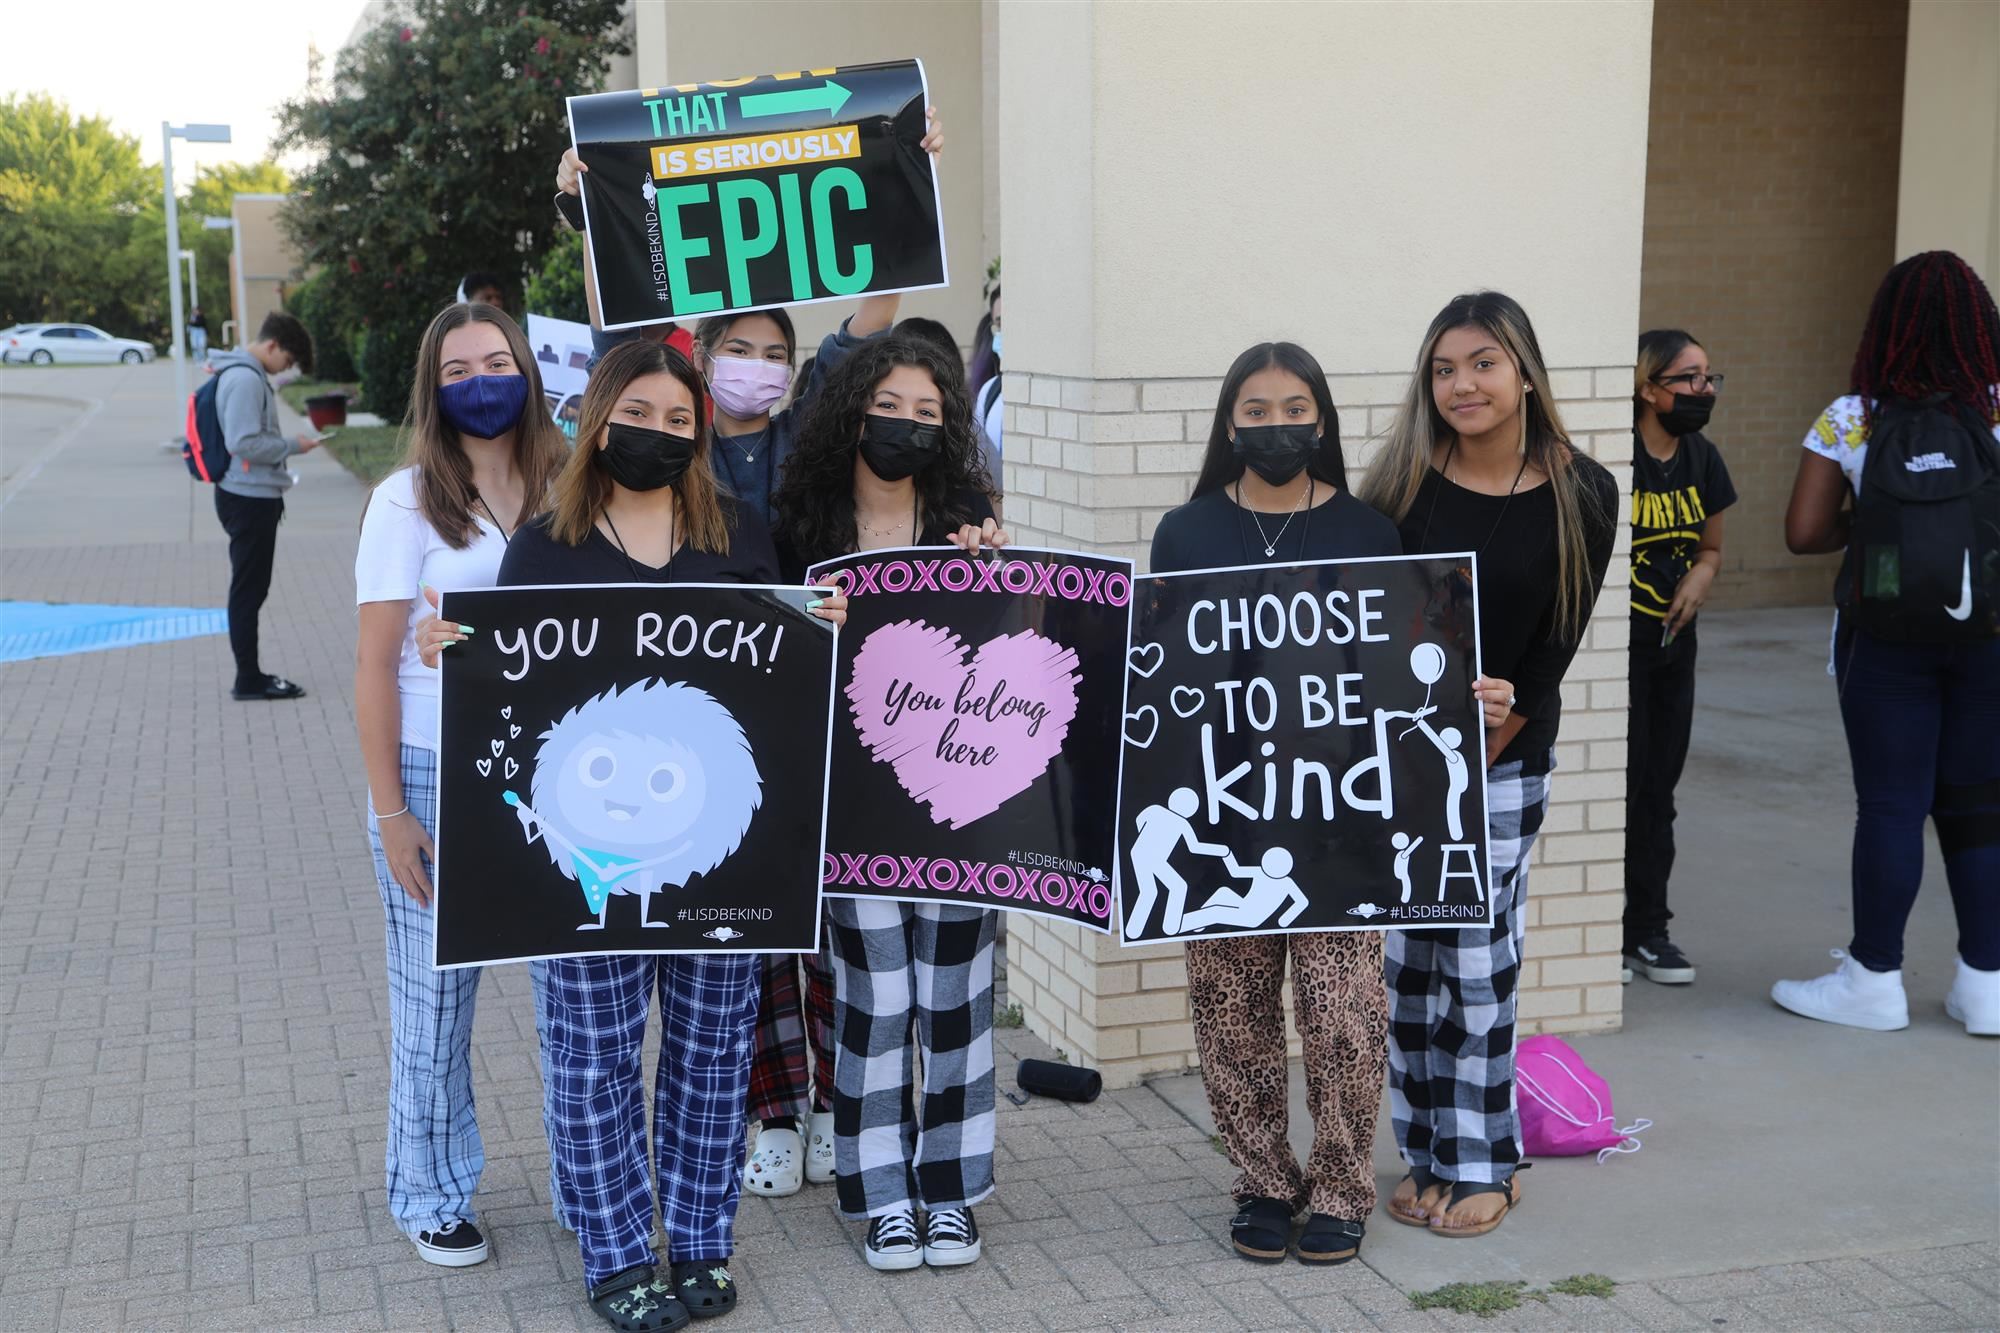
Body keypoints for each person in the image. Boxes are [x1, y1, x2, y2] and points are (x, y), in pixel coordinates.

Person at [467, 339, 843, 1329]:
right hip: (583, 866)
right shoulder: (544, 545)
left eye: (680, 420)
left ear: (701, 432)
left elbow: (779, 689)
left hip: (718, 865)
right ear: (597, 419)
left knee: (710, 1058)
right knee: (592, 1063)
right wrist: (449, 646)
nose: (660, 433)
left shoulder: (741, 532)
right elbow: (503, 692)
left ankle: (703, 1240)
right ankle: (616, 1249)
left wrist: (820, 627)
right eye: (640, 414)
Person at [1359, 293, 1617, 1239]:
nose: (1462, 385)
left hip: (1501, 770)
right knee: (1408, 966)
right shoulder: (1398, 482)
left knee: (1476, 962)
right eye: (1443, 368)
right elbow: (1367, 627)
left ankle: (1486, 1158)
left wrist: (1482, 747)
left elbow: (1551, 655)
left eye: (1482, 363)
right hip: (1398, 769)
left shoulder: (1584, 489)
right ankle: (1427, 1151)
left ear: (1524, 371)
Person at [1148, 342, 1406, 1267]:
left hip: (1339, 810)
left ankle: (1341, 1185)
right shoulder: (1184, 533)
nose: (1275, 426)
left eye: (1293, 408)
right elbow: (1166, 670)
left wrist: (1463, 693)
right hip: (1220, 807)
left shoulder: (1372, 532)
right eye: (1255, 411)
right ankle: (1262, 1180)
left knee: (1344, 1012)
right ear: (1229, 426)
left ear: (1323, 421)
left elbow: (1393, 671)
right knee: (1231, 1005)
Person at [770, 334, 1004, 1271]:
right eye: (890, 406)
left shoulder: (967, 519)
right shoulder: (799, 521)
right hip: (848, 797)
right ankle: (878, 1192)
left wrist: (997, 564)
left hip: (958, 801)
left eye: (929, 413)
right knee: (875, 996)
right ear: (853, 408)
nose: (906, 425)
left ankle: (950, 1188)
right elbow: (765, 651)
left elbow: (1011, 650)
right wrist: (800, 613)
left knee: (957, 994)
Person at [354, 302, 567, 1268]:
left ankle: (591, 1181)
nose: (479, 379)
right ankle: (430, 1189)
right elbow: (372, 667)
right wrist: (393, 812)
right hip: (440, 780)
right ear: (433, 391)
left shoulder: (573, 485)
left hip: (557, 774)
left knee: (580, 994)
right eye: (456, 369)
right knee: (436, 1003)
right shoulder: (405, 500)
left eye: (495, 360)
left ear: (525, 368)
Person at [1774, 250, 2000, 1037]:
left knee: (1893, 804)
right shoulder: (1999, 408)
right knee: (1980, 805)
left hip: (1884, 642)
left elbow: (1803, 533)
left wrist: (1875, 531)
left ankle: (1873, 980)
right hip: (1992, 639)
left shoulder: (1853, 414)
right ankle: (1987, 982)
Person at [555, 109, 944, 527]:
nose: (757, 365)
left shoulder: (804, 435)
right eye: (740, 350)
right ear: (701, 357)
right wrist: (593, 219)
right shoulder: (673, 447)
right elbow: (613, 344)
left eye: (774, 356)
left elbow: (871, 323)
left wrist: (907, 182)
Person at [1624, 329, 1736, 986]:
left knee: (1659, 791)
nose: (1704, 390)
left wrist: (1702, 574)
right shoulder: (1617, 458)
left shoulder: (1703, 458)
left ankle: (1648, 931)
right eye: (1688, 379)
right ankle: (1605, 932)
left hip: (1673, 651)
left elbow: (1712, 548)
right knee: (1624, 785)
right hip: (1622, 653)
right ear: (1647, 388)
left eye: (1708, 377)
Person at [212, 310, 318, 701]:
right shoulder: (244, 378)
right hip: (248, 497)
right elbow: (242, 442)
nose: (282, 370)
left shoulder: (245, 374)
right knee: (247, 592)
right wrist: (294, 445)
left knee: (250, 590)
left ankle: (249, 675)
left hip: (248, 494)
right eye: (286, 361)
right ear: (272, 345)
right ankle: (248, 679)